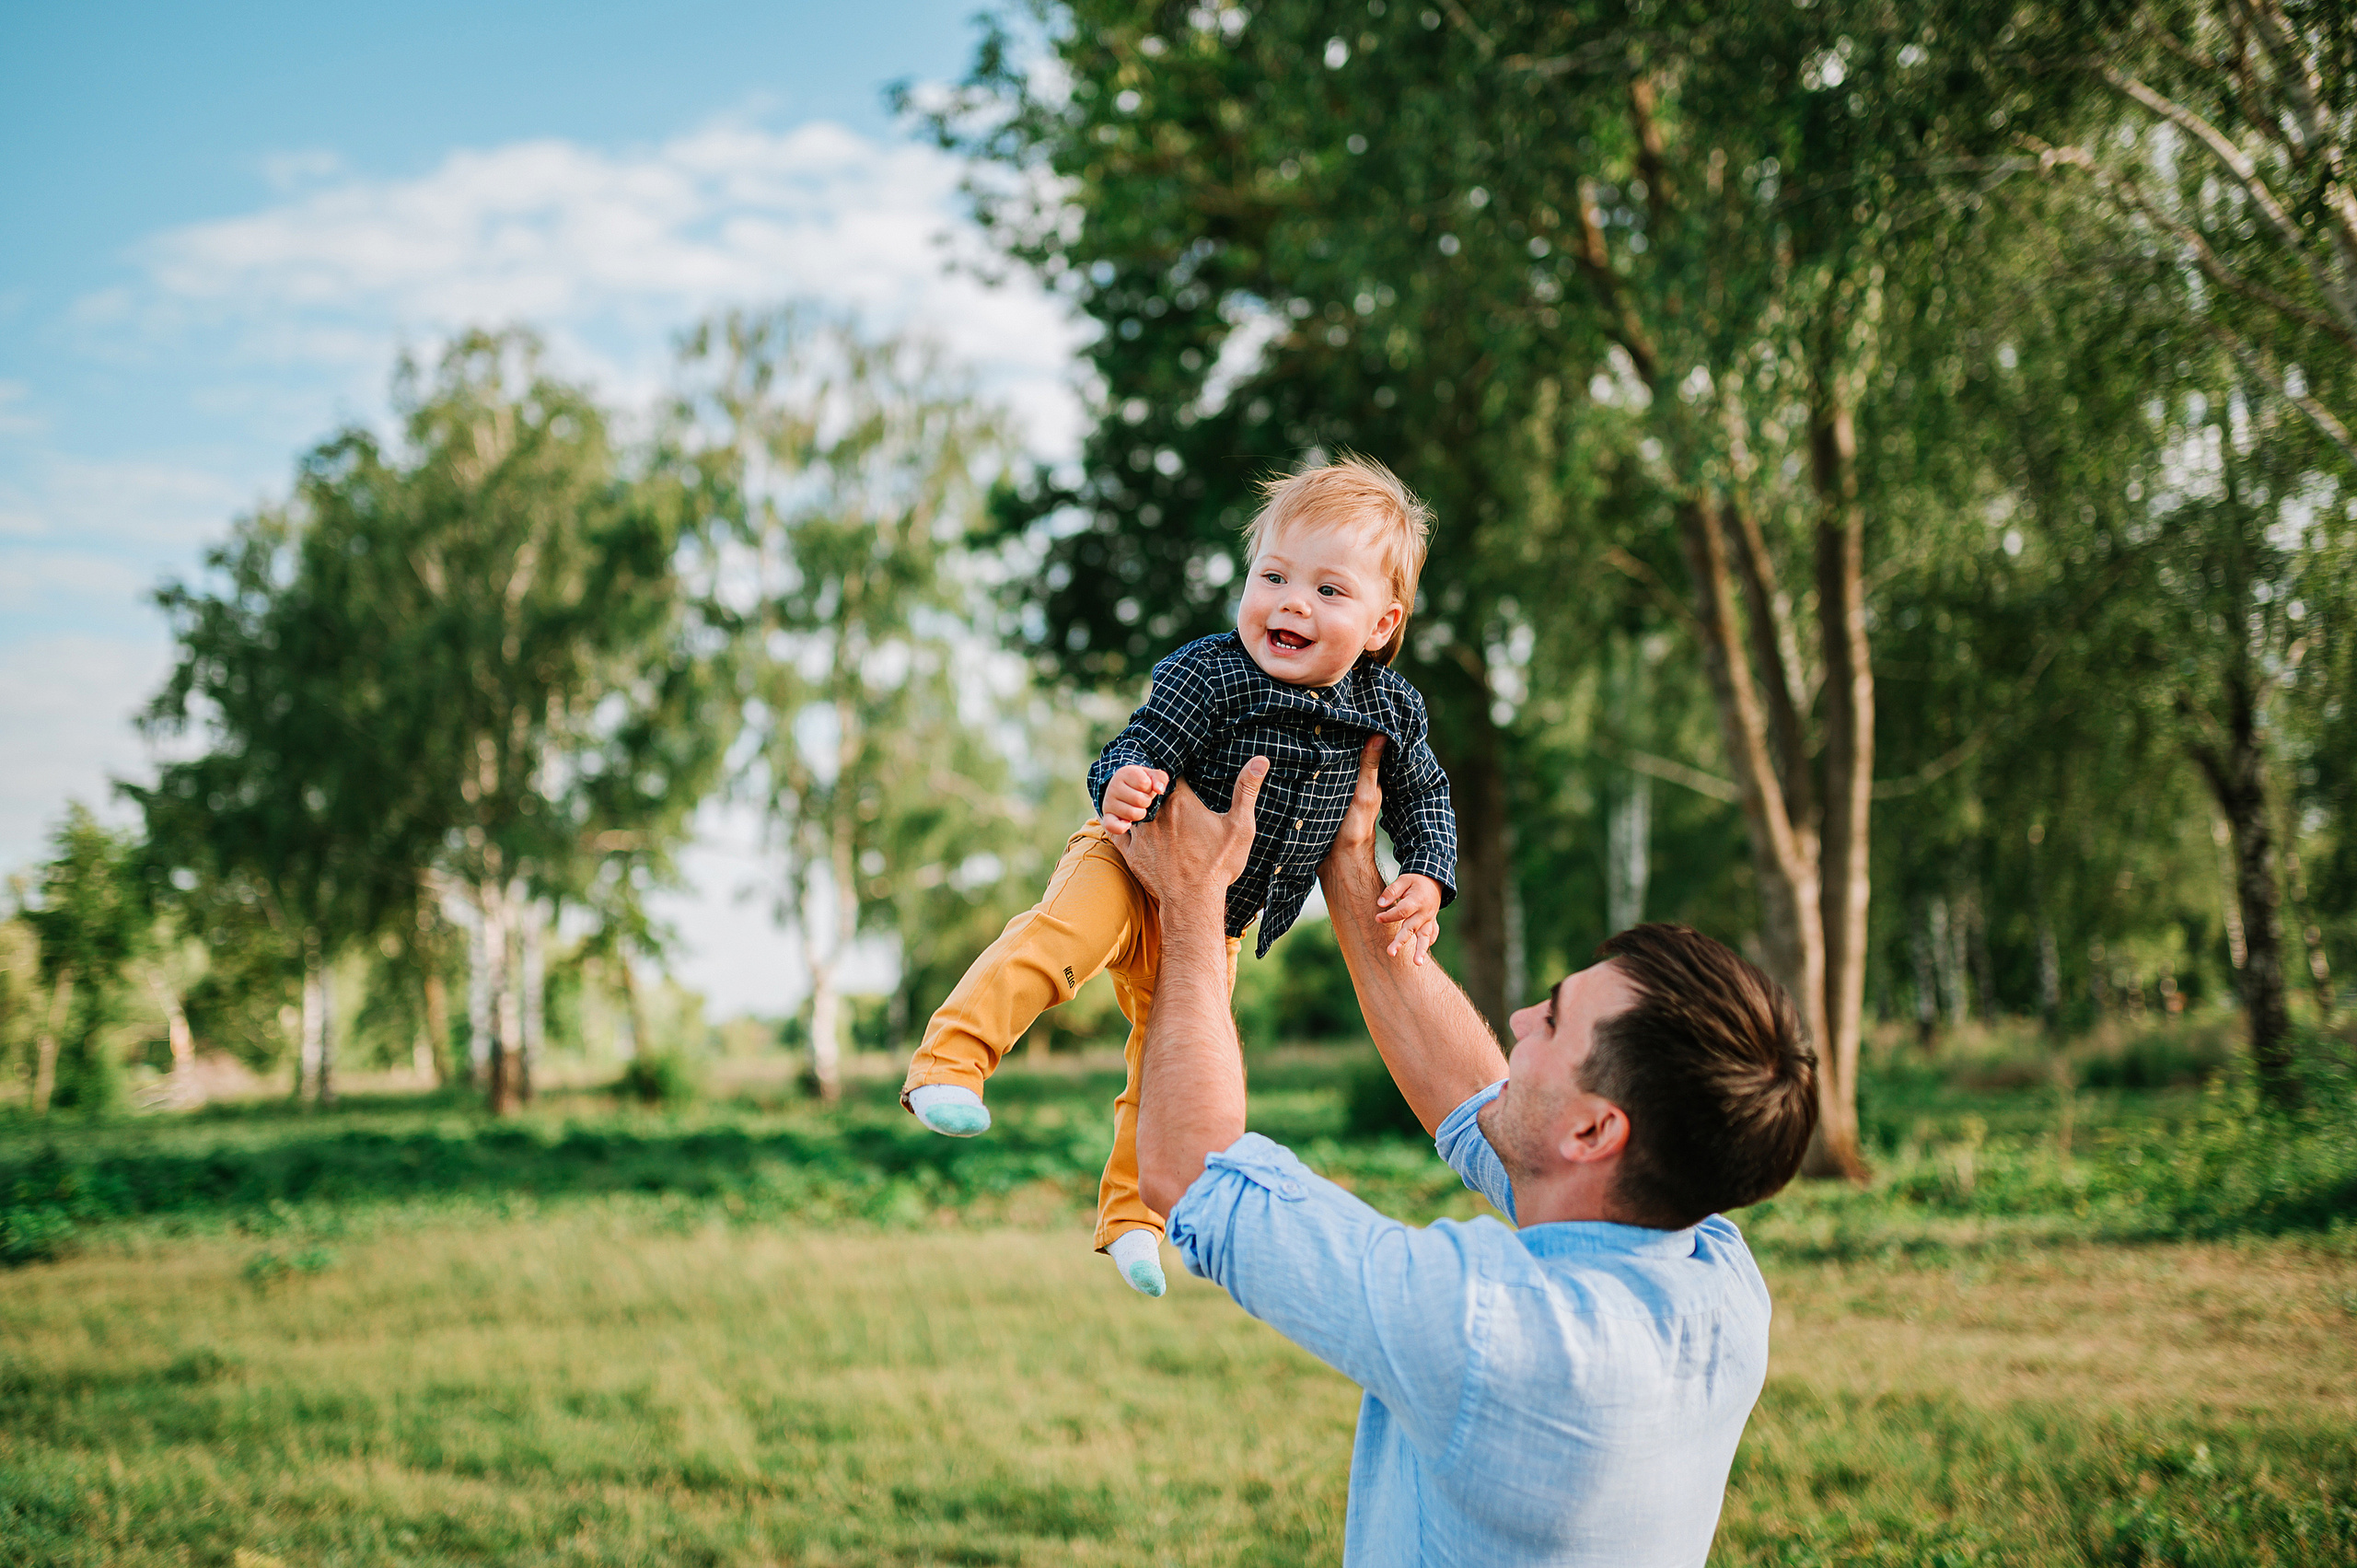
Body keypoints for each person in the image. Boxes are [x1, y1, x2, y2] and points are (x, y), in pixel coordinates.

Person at [1116, 738, 1819, 1566]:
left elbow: (1193, 1174)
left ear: (1595, 1132)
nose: (1520, 1019)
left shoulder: (1488, 1328)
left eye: (1552, 1021)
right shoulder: (1720, 1276)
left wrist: (1193, 900)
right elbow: (1481, 1101)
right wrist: (1350, 858)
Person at [899, 458, 1460, 1296]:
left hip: (1216, 919)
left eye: (1328, 591)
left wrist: (1427, 871)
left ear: (1382, 624)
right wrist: (1123, 780)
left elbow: (1424, 793)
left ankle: (1132, 1218)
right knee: (1059, 945)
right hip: (1129, 863)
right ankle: (950, 1060)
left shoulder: (1392, 709)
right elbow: (1135, 743)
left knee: (1166, 1056)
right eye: (1272, 575)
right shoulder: (1211, 671)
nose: (1291, 603)